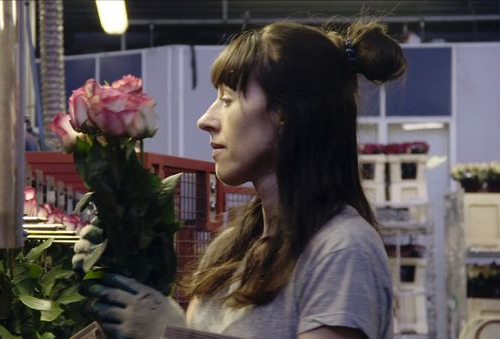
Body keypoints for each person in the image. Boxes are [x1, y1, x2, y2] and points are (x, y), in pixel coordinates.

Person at [85, 20, 406, 339]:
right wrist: (116, 269)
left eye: (227, 100)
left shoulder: (343, 250)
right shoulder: (231, 247)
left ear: (285, 112)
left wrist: (169, 334)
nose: (205, 120)